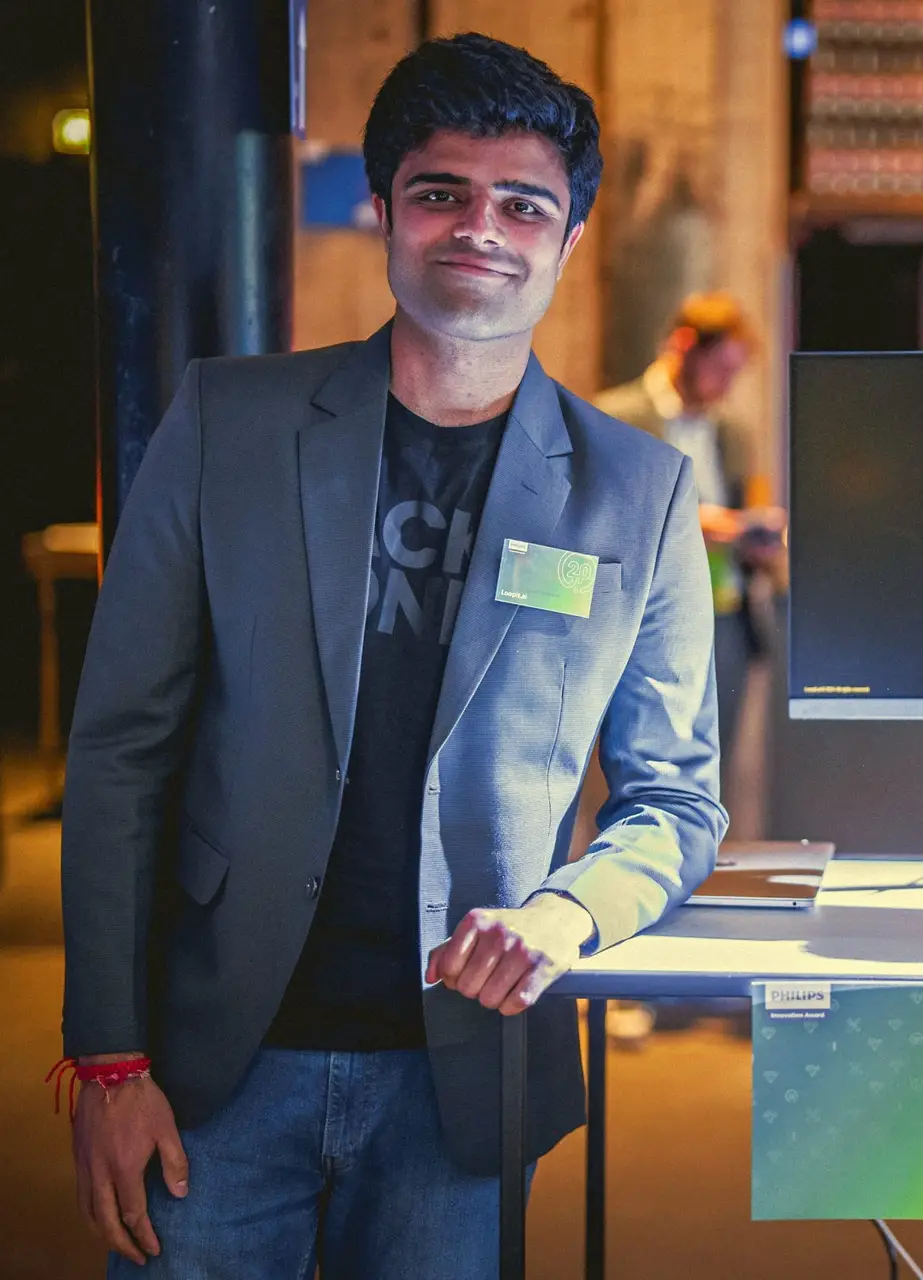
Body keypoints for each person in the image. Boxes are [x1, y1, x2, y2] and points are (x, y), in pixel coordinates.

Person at [57, 34, 725, 1277]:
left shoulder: (639, 492)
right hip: (214, 1064)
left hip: (465, 1076)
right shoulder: (229, 423)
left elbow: (676, 800)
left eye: (523, 204)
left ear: (569, 238)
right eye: (441, 192)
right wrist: (107, 1056)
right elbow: (120, 753)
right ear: (385, 209)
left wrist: (572, 909)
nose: (481, 228)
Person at [594, 291, 786, 752]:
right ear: (683, 345)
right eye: (720, 369)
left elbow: (746, 505)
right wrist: (688, 525)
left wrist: (755, 536)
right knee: (640, 757)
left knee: (712, 763)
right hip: (645, 620)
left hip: (724, 619)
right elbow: (598, 519)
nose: (726, 385)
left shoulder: (733, 432)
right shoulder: (614, 416)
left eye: (735, 373)